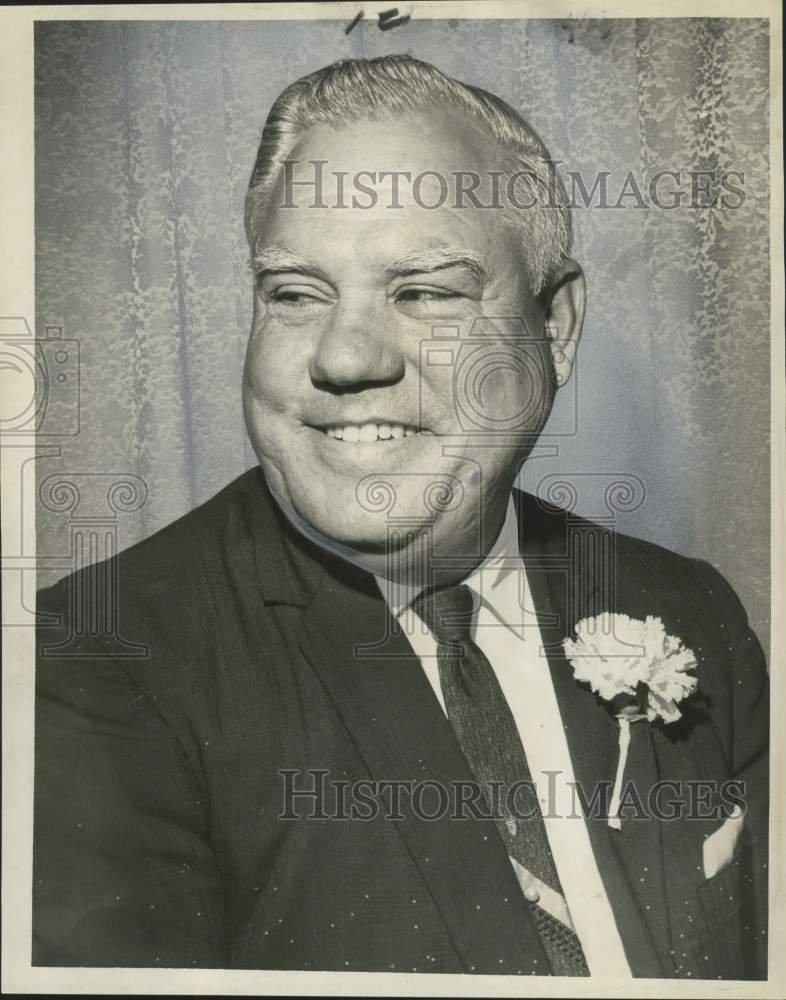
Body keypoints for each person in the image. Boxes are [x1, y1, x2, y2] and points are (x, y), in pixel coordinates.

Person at [33, 55, 768, 979]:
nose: (345, 358)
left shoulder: (689, 607)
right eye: (296, 293)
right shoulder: (98, 664)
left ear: (558, 327)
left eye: (423, 291)